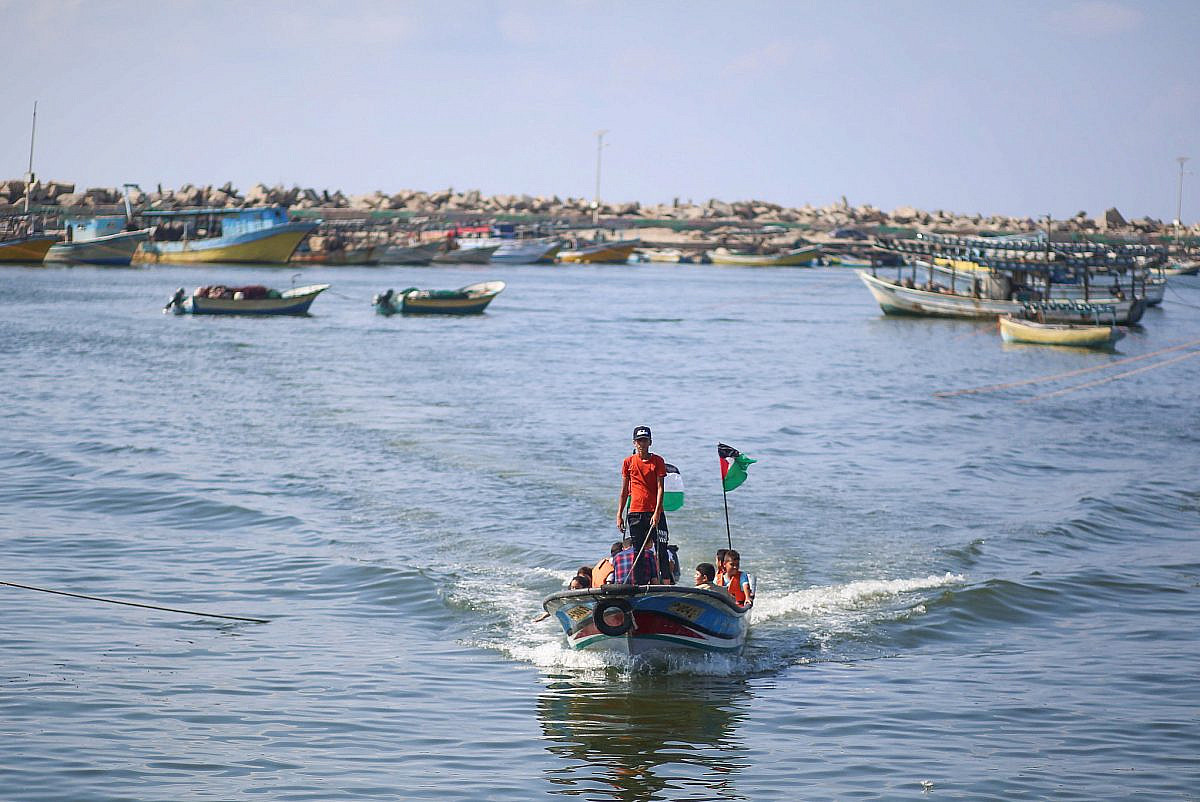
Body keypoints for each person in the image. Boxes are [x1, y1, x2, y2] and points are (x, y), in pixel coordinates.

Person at [617, 425, 670, 582]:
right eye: (639, 441)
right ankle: (638, 584)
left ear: (650, 442)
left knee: (661, 549)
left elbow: (660, 488)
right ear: (634, 442)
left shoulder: (658, 461)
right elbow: (624, 490)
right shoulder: (628, 462)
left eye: (645, 440)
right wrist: (619, 514)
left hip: (654, 512)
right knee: (638, 551)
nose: (642, 444)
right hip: (635, 512)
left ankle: (666, 582)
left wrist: (657, 512)